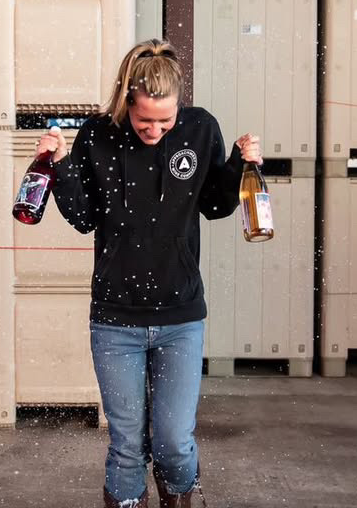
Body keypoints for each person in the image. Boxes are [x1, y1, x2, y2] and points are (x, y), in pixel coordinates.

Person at [37, 39, 262, 508]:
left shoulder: (200, 130)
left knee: (174, 442)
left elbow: (217, 205)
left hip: (180, 317)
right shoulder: (98, 135)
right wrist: (59, 164)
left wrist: (241, 162)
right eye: (145, 120)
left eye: (166, 120)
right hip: (116, 319)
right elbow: (82, 216)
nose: (156, 129)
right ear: (126, 101)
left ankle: (182, 495)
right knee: (126, 446)